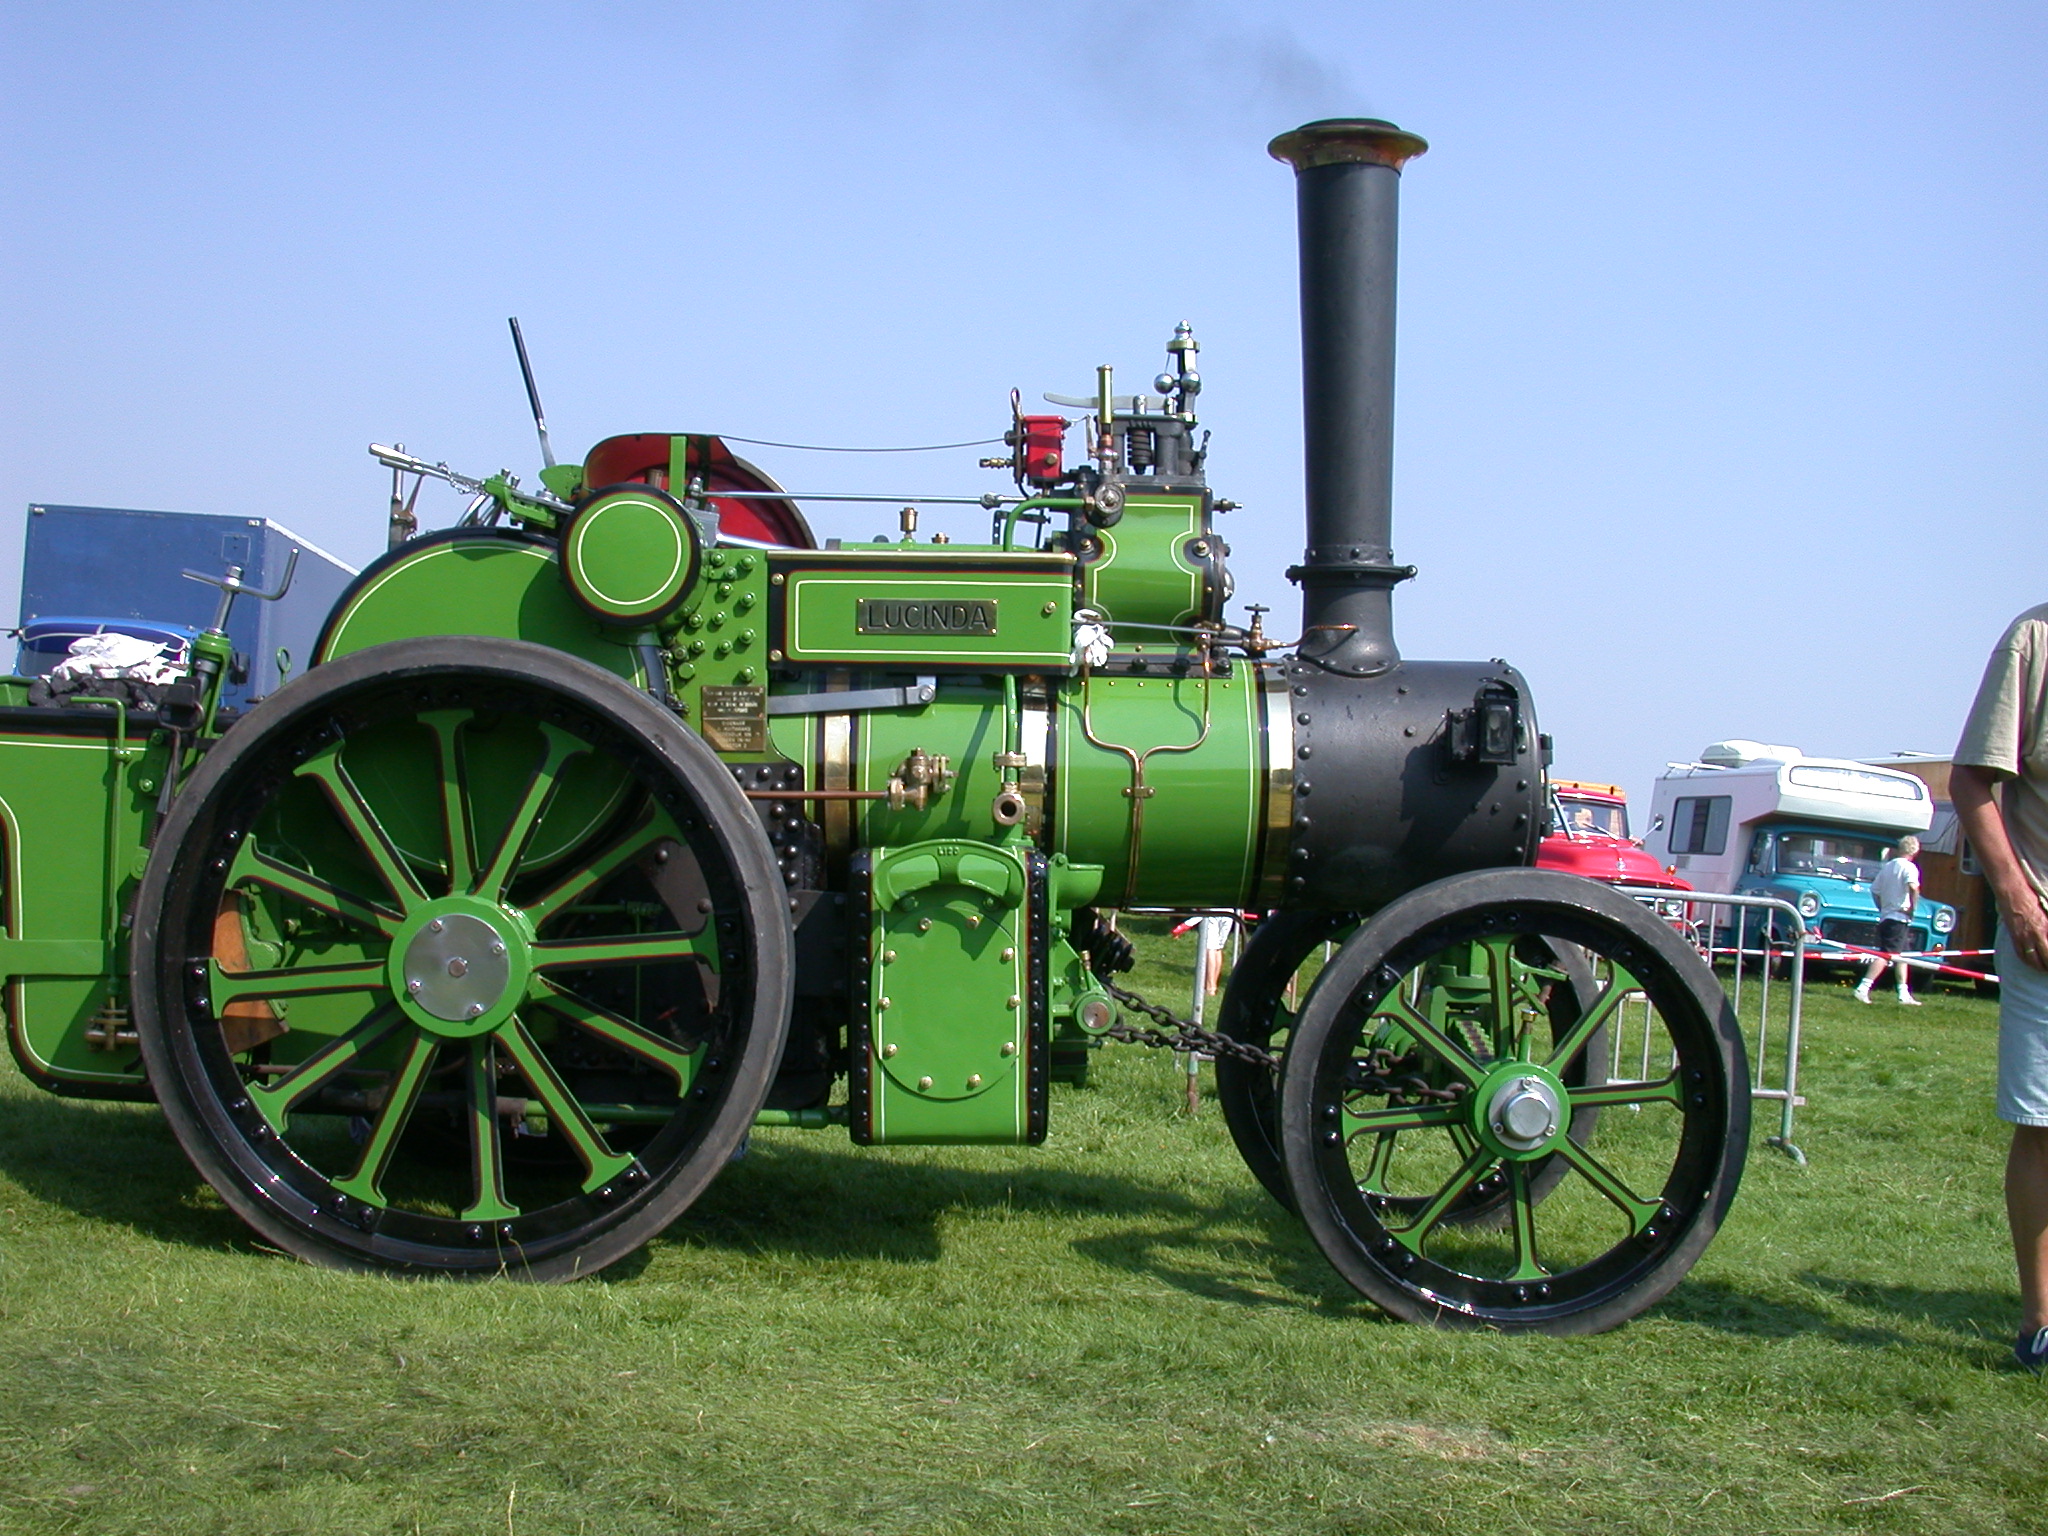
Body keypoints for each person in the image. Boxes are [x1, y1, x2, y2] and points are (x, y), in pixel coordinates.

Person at [1952, 602, 2048, 1371]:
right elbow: (1972, 781)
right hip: (2047, 927)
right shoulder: (2036, 638)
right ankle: (2041, 1325)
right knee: (2045, 1126)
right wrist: (2016, 899)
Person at [1854, 834, 1923, 1005]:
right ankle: (1863, 987)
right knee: (1886, 955)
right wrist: (1913, 909)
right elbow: (1913, 887)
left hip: (1887, 917)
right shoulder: (1910, 868)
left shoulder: (1887, 867)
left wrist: (1882, 908)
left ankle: (1903, 993)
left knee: (1902, 956)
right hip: (1899, 917)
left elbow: (1874, 890)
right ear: (1915, 851)